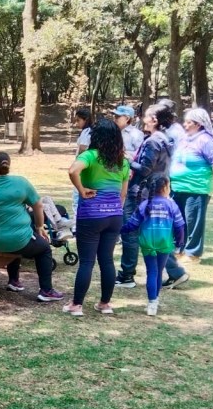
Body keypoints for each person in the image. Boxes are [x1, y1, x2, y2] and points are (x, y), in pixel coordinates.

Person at [0, 151, 64, 302]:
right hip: (16, 239)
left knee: (16, 236)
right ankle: (46, 290)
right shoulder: (21, 182)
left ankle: (14, 281)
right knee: (43, 247)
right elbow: (38, 205)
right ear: (8, 166)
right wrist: (39, 226)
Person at [65, 119, 130, 315]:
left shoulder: (90, 155)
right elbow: (123, 194)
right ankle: (104, 304)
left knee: (87, 261)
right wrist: (113, 209)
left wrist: (81, 190)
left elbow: (73, 170)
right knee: (107, 260)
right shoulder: (123, 162)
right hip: (114, 216)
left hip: (91, 214)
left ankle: (76, 305)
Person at [116, 104, 176, 288]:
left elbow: (145, 169)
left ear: (154, 120)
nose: (143, 119)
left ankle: (127, 275)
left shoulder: (152, 141)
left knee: (130, 232)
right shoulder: (166, 139)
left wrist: (126, 159)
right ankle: (176, 271)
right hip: (156, 191)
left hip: (141, 192)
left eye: (147, 116)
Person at [164, 107, 213, 286]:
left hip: (196, 188)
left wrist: (204, 178)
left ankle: (193, 253)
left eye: (189, 122)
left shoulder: (206, 141)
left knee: (193, 220)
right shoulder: (185, 139)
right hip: (178, 187)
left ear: (198, 124)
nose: (185, 124)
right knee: (179, 220)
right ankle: (180, 249)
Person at [121, 176, 186, 316]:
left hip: (147, 243)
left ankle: (152, 303)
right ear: (165, 187)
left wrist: (119, 230)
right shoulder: (171, 205)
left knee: (152, 271)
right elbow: (180, 225)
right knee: (159, 271)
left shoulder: (144, 205)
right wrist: (179, 242)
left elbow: (132, 225)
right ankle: (154, 300)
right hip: (165, 243)